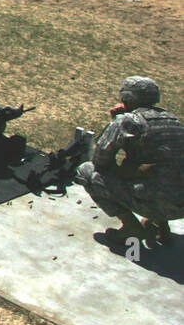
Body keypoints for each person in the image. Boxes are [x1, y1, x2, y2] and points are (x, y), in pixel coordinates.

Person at [77, 77, 184, 241]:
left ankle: (131, 228)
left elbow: (100, 161)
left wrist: (115, 122)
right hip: (180, 208)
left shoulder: (127, 121)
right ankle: (160, 225)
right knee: (161, 172)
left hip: (155, 202)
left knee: (87, 171)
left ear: (126, 98)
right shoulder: (174, 121)